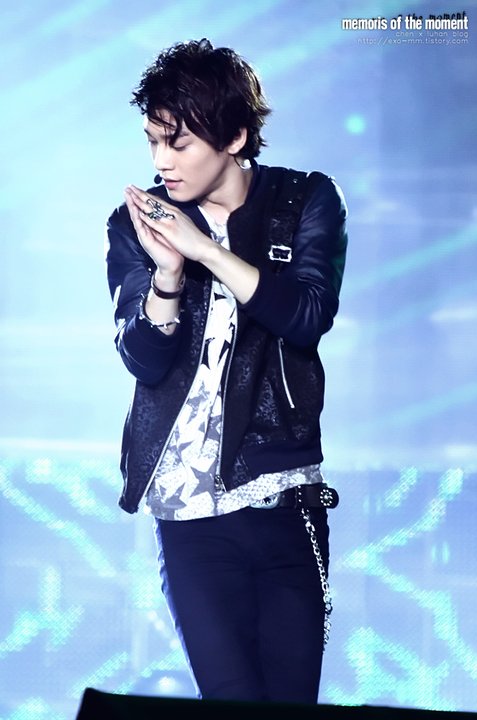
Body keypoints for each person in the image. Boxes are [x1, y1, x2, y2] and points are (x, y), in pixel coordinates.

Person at [105, 38, 348, 704]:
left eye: (178, 143)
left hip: (284, 497)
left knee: (290, 702)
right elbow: (142, 358)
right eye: (153, 141)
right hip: (189, 513)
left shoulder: (305, 200)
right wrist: (168, 274)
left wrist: (206, 252)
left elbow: (307, 316)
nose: (161, 161)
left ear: (235, 137)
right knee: (231, 699)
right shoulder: (137, 224)